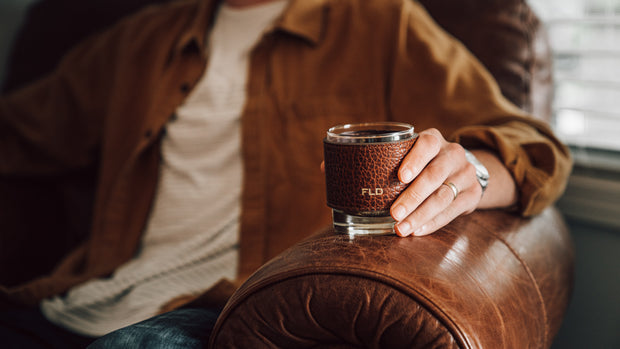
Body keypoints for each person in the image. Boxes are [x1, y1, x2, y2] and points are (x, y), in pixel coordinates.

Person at [0, 0, 572, 347]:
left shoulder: (381, 24)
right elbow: (21, 131)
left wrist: (470, 173)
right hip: (69, 305)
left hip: (230, 317)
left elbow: (535, 147)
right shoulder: (139, 42)